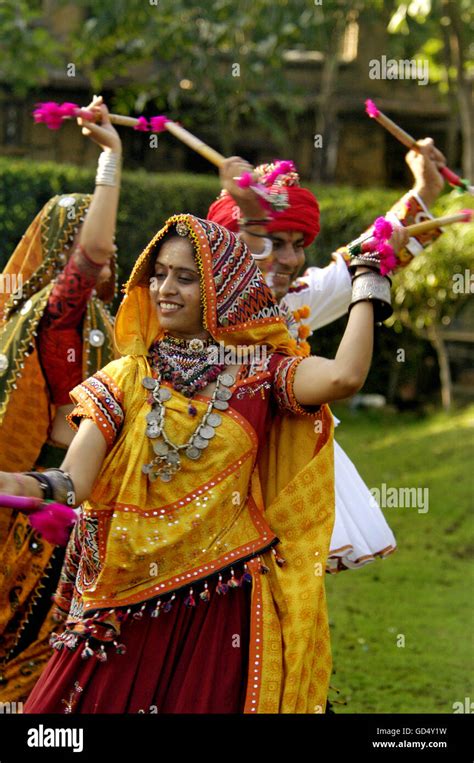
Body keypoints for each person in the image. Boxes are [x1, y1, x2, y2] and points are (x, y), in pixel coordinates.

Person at [0, 213, 407, 713]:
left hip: (220, 602)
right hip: (120, 599)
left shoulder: (259, 373)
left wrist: (369, 284)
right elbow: (71, 482)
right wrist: (13, 483)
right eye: (159, 275)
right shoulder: (125, 378)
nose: (166, 289)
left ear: (222, 286)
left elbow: (344, 378)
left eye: (185, 278)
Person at [207, 140, 446, 570]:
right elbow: (232, 273)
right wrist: (249, 212)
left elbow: (360, 260)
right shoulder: (203, 311)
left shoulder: (293, 303)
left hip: (282, 494)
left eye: (297, 244)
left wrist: (424, 192)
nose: (290, 259)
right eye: (274, 242)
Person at [0, 95, 121, 703]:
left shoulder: (110, 318)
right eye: (102, 236)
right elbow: (91, 258)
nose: (112, 253)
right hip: (46, 494)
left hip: (92, 493)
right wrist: (110, 162)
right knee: (32, 641)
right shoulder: (57, 315)